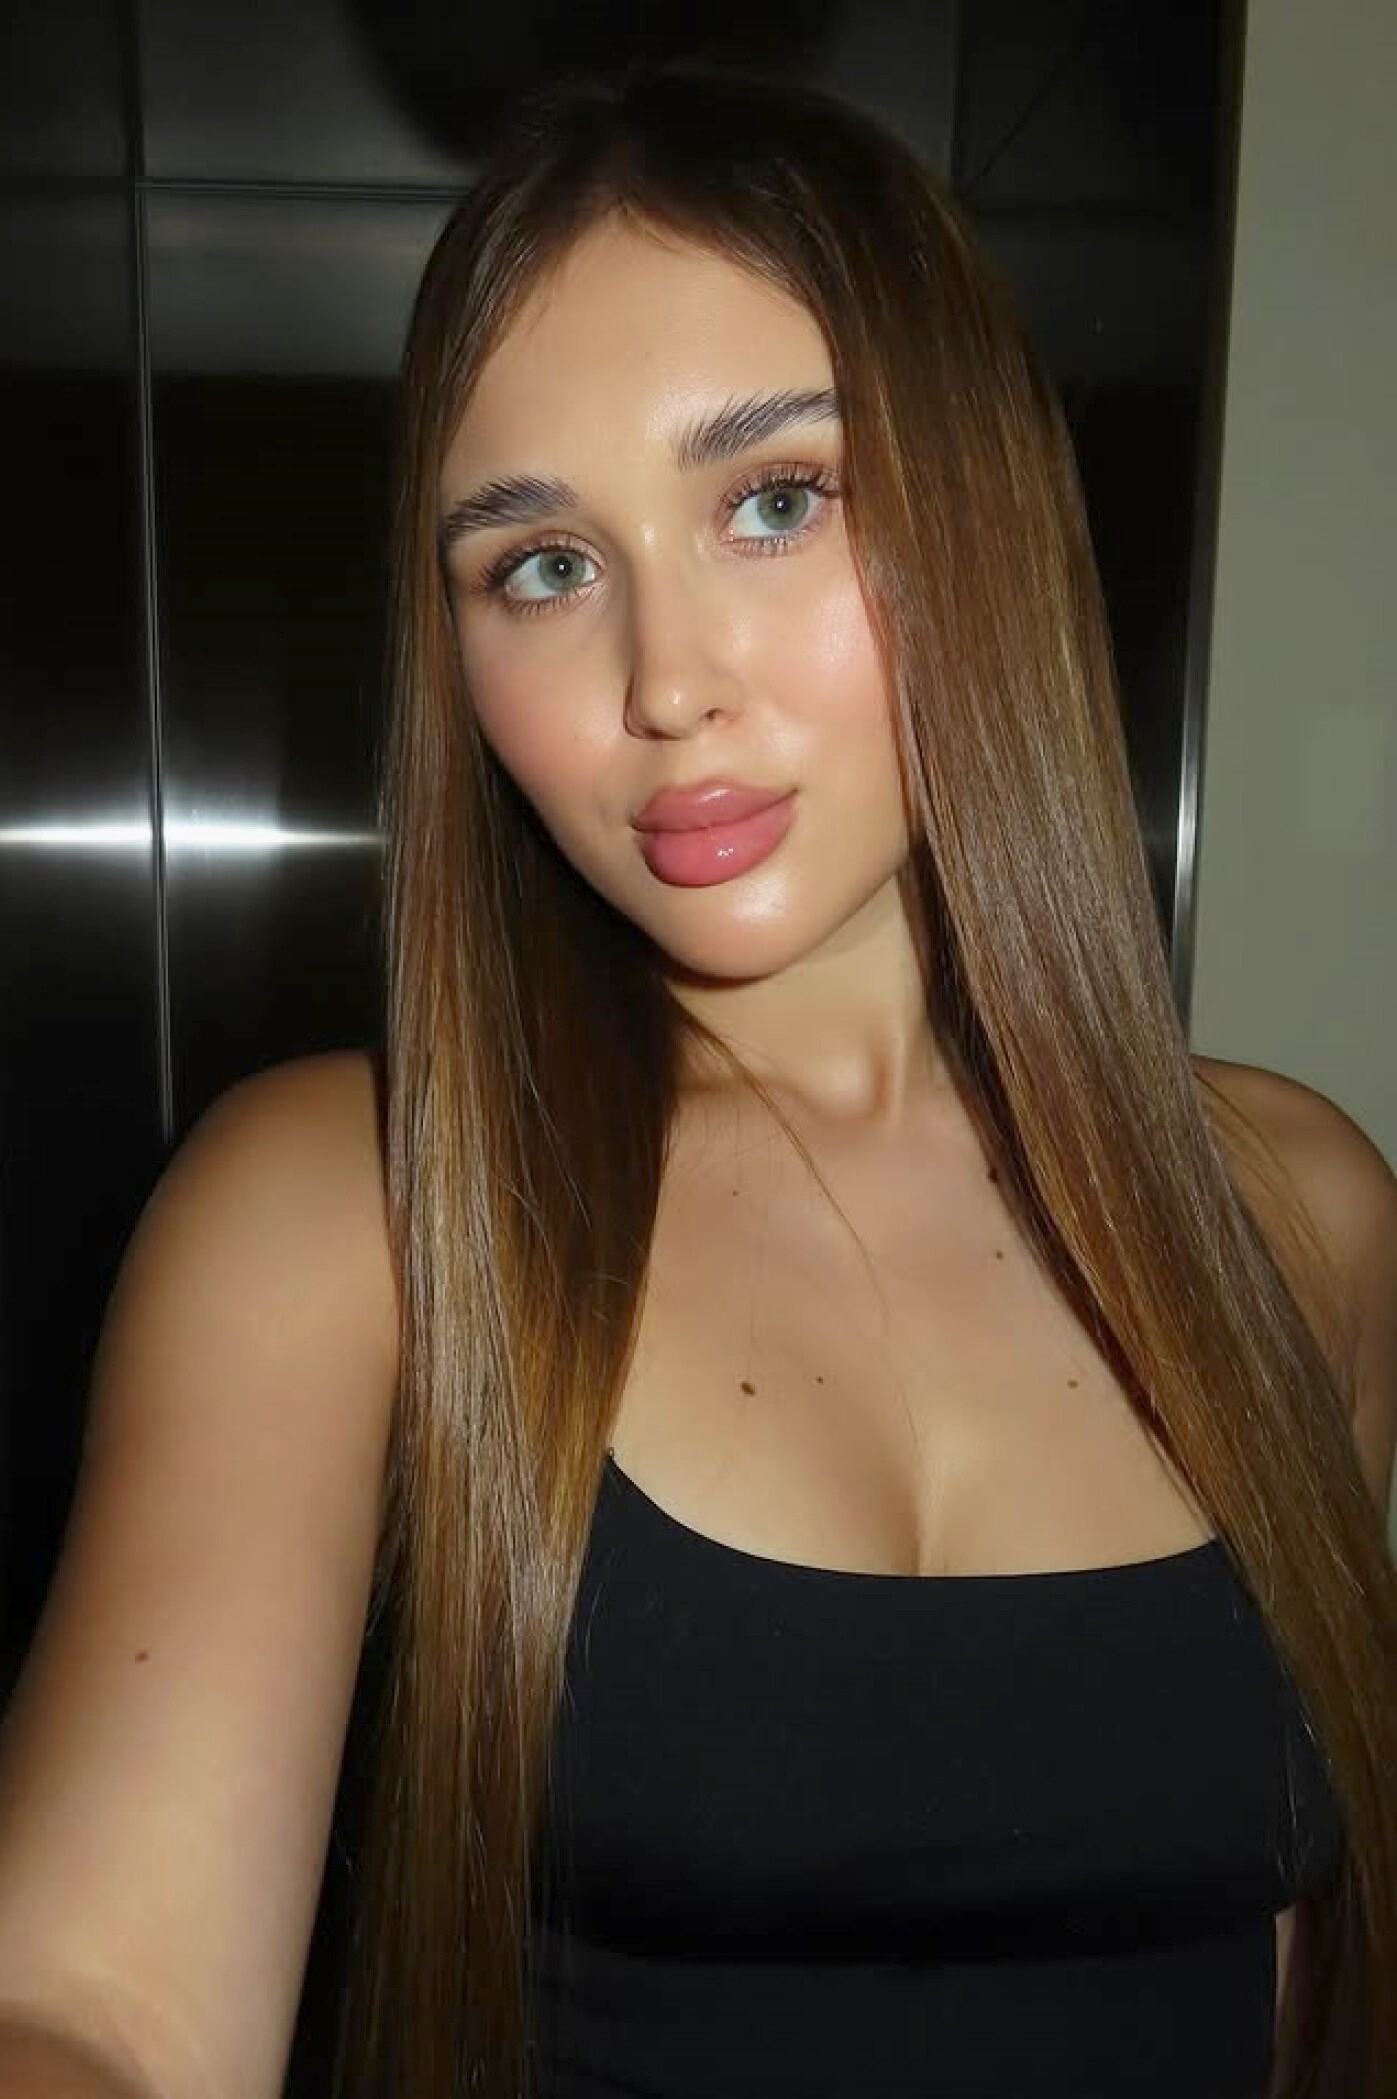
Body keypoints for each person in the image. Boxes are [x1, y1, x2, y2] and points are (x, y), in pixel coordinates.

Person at [0, 57, 1395, 2099]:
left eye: (775, 500)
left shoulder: (1302, 1214)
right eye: (543, 566)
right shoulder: (351, 1210)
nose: (664, 684)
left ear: (987, 511)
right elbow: (98, 2005)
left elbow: (1297, 1981)